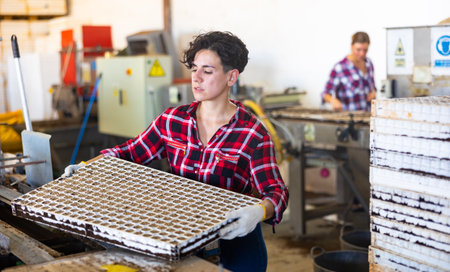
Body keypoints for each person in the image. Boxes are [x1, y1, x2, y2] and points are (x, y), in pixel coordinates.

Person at [63, 31, 289, 272]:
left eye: (207, 71)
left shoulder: (252, 134)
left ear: (231, 77)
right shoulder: (172, 121)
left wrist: (258, 211)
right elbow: (129, 152)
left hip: (234, 242)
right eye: (194, 69)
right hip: (180, 235)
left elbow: (276, 191)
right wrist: (89, 166)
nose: (196, 78)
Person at [322, 31, 377, 111]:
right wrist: (332, 100)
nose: (362, 53)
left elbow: (373, 87)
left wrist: (374, 93)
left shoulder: (369, 64)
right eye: (358, 50)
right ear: (351, 46)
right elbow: (325, 94)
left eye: (365, 50)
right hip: (349, 119)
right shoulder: (340, 68)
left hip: (368, 117)